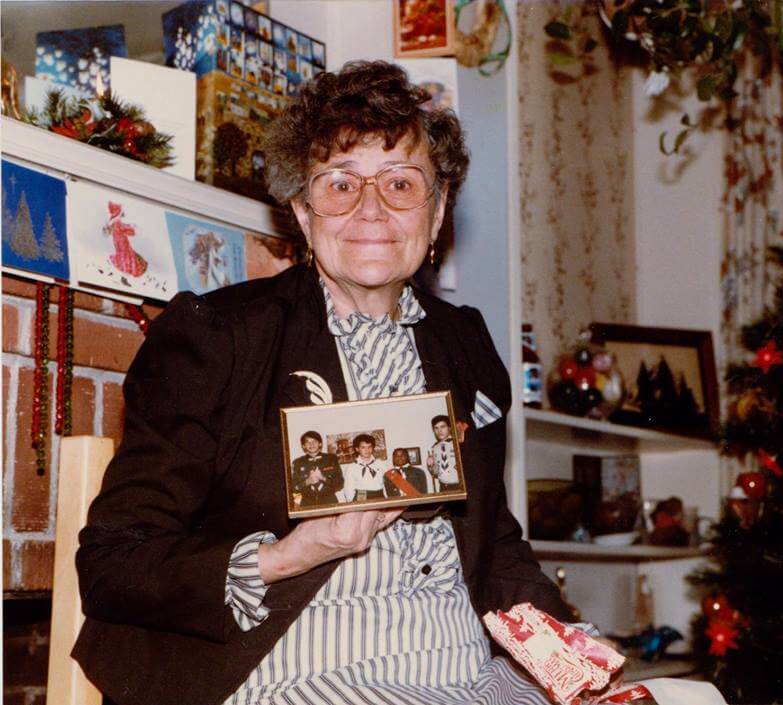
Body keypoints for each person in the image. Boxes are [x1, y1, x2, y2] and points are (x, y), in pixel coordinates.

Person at [72, 61, 584, 705]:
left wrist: (570, 654)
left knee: (683, 696)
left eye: (401, 183)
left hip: (466, 674)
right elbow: (114, 564)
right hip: (299, 677)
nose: (371, 209)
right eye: (339, 185)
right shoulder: (219, 335)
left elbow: (493, 542)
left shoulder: (465, 341)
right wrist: (292, 553)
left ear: (438, 210)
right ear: (303, 212)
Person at [290, 430, 343, 494]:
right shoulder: (297, 463)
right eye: (307, 442)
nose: (311, 444)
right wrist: (307, 482)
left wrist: (323, 478)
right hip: (307, 501)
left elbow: (340, 485)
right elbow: (292, 488)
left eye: (314, 441)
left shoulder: (331, 459)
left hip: (329, 499)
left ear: (320, 443)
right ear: (303, 446)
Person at [339, 433, 388, 501]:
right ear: (357, 449)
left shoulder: (380, 464)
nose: (367, 450)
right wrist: (352, 503)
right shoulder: (352, 467)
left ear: (373, 448)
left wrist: (387, 499)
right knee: (365, 511)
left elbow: (386, 484)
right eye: (363, 447)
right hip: (361, 495)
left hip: (378, 494)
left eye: (369, 447)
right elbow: (348, 488)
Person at [427, 413, 461, 492]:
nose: (439, 431)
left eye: (443, 427)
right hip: (443, 488)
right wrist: (430, 465)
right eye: (436, 428)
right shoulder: (434, 448)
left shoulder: (458, 443)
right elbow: (436, 472)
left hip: (459, 486)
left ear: (449, 428)